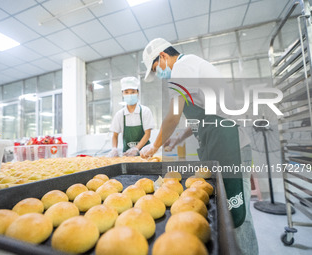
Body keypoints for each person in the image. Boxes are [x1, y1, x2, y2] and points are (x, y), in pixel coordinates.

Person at [140, 38, 258, 255]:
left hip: (232, 146)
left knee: (237, 215)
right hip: (219, 147)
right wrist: (177, 140)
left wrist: (154, 146)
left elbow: (173, 115)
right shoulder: (191, 68)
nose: (159, 75)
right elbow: (203, 117)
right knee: (224, 215)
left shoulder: (183, 68)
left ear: (164, 56)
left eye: (157, 69)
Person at [107, 77, 155, 157]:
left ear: (138, 93)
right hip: (127, 155)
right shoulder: (120, 114)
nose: (130, 95)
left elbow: (147, 134)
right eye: (126, 92)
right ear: (122, 94)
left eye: (133, 92)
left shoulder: (145, 111)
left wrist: (136, 148)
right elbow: (115, 135)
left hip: (145, 154)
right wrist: (114, 149)